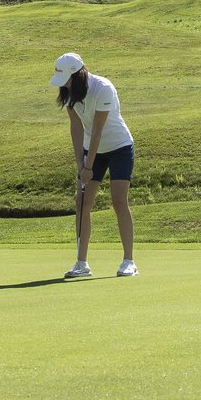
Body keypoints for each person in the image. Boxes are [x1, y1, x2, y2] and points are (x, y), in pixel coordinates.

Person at [49, 52, 137, 278]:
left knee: (118, 201)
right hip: (92, 150)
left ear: (77, 75)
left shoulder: (103, 88)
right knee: (81, 202)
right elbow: (76, 129)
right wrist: (81, 164)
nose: (64, 85)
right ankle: (81, 264)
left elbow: (98, 129)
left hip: (119, 146)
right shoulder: (70, 94)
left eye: (66, 79)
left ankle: (129, 261)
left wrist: (89, 168)